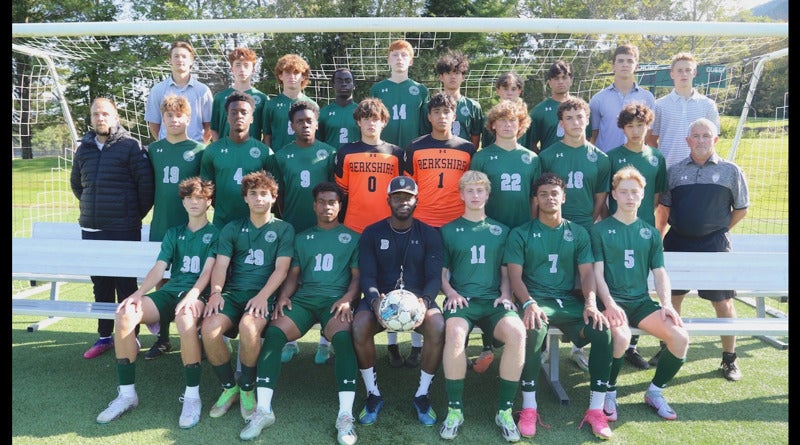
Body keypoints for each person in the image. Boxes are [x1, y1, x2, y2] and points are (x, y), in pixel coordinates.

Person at [240, 182, 361, 444]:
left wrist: (347, 299)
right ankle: (263, 411)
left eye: (332, 202)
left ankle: (345, 415)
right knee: (274, 334)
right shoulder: (302, 237)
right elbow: (293, 275)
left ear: (340, 206)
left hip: (335, 302)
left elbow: (357, 278)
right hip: (304, 301)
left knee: (343, 339)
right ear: (314, 205)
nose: (327, 206)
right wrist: (284, 296)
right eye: (322, 202)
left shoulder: (353, 237)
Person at [95, 177, 218, 429]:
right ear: (183, 202)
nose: (194, 202)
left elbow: (208, 272)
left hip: (198, 294)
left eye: (199, 198)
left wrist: (193, 295)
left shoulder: (216, 234)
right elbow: (160, 268)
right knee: (126, 313)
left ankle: (192, 397)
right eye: (189, 198)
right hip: (171, 292)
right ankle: (127, 395)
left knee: (185, 319)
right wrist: (139, 293)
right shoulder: (174, 233)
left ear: (209, 202)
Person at [504, 172, 615, 440]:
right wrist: (528, 302)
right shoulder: (521, 233)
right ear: (536, 199)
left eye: (554, 193)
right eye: (543, 194)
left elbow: (587, 274)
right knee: (533, 329)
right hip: (537, 301)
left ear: (564, 197)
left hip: (567, 301)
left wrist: (591, 303)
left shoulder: (577, 232)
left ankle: (596, 410)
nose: (549, 198)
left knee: (602, 331)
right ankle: (529, 407)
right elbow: (515, 277)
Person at [591, 166, 689, 423]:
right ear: (614, 195)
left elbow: (660, 273)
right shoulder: (599, 230)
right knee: (621, 338)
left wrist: (666, 304)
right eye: (623, 192)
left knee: (680, 338)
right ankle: (610, 391)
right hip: (610, 302)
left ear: (643, 195)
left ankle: (654, 392)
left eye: (634, 192)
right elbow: (596, 274)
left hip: (641, 303)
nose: (629, 197)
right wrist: (609, 303)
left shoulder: (650, 233)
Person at [656, 117, 749, 381]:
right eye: (695, 136)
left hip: (714, 245)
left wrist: (718, 230)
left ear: (715, 139)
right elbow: (664, 209)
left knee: (723, 302)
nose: (700, 140)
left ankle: (729, 359)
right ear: (688, 141)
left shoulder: (731, 171)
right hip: (678, 241)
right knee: (672, 299)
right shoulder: (674, 172)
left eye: (706, 135)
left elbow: (741, 209)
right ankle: (668, 348)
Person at [438, 170, 526, 442]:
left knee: (517, 332)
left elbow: (505, 271)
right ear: (461, 195)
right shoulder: (448, 230)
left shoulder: (502, 230)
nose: (475, 195)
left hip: (494, 301)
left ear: (488, 194)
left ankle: (504, 411)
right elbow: (441, 273)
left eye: (480, 190)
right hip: (463, 300)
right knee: (454, 332)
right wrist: (451, 292)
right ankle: (455, 411)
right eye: (470, 190)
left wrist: (506, 293)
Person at [201, 170, 294, 423]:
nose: (259, 198)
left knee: (249, 327)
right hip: (233, 293)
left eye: (264, 194)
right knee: (209, 329)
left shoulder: (284, 229)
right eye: (253, 194)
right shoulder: (232, 228)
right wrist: (216, 292)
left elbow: (281, 269)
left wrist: (263, 296)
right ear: (245, 198)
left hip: (264, 294)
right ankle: (229, 387)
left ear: (273, 197)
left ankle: (247, 387)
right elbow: (221, 265)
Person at [352, 176, 445, 427]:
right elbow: (367, 276)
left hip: (418, 300)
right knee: (359, 326)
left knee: (437, 327)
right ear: (388, 200)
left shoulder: (430, 234)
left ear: (416, 201)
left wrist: (425, 302)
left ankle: (422, 395)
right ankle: (373, 393)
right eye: (397, 197)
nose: (403, 201)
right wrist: (374, 301)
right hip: (381, 299)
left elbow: (434, 277)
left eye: (408, 197)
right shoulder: (372, 232)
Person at [70, 97, 154, 359]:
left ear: (115, 116)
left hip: (123, 228)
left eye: (105, 114)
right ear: (91, 118)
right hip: (92, 229)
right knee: (101, 284)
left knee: (125, 284)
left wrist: (129, 215)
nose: (100, 118)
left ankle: (130, 336)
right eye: (96, 114)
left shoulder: (131, 146)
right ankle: (104, 336)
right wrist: (93, 210)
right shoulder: (84, 148)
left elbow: (146, 188)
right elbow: (77, 185)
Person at [538, 97, 611, 372]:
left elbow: (600, 197)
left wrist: (586, 222)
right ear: (561, 123)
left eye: (580, 117)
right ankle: (543, 345)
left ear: (587, 120)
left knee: (583, 284)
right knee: (550, 280)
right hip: (552, 227)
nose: (575, 122)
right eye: (569, 118)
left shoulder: (600, 158)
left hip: (584, 229)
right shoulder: (548, 155)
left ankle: (578, 346)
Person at [468, 98, 539, 373]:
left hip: (520, 229)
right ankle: (488, 344)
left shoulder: (531, 158)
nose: (508, 125)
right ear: (493, 125)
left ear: (521, 125)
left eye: (513, 121)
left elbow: (534, 197)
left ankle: (525, 343)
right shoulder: (482, 157)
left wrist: (532, 227)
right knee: (490, 285)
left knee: (521, 283)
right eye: (502, 120)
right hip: (490, 230)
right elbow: (474, 194)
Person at [269, 100, 336, 364]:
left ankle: (325, 341)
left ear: (317, 124)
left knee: (325, 281)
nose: (305, 125)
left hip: (324, 229)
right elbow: (278, 194)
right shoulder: (281, 156)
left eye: (309, 121)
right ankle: (291, 341)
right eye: (300, 121)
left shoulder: (329, 153)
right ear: (292, 125)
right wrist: (286, 218)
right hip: (293, 227)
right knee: (290, 281)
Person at [607, 102, 669, 369]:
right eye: (630, 126)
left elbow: (656, 196)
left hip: (642, 230)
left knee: (639, 284)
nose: (635, 131)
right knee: (614, 281)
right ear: (623, 128)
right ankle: (612, 337)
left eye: (640, 125)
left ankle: (631, 346)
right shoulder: (612, 157)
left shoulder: (656, 157)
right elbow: (606, 194)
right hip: (616, 228)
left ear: (648, 127)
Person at [145, 94, 207, 359]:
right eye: (169, 115)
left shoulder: (199, 150)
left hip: (190, 225)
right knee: (162, 282)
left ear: (188, 118)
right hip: (161, 224)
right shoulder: (154, 150)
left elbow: (205, 191)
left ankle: (196, 333)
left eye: (179, 115)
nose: (174, 120)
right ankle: (163, 338)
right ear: (162, 119)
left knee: (193, 277)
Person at [200, 91, 273, 229]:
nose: (239, 116)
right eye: (233, 112)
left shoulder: (265, 152)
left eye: (244, 112)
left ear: (252, 118)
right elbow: (207, 190)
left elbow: (273, 192)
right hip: (222, 224)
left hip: (256, 226)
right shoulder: (212, 151)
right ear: (227, 117)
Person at [403, 91, 477, 228]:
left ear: (454, 116)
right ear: (429, 117)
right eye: (436, 112)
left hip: (458, 219)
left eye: (446, 112)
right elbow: (409, 187)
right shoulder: (414, 147)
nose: (442, 116)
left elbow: (471, 187)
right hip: (422, 219)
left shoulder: (467, 148)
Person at [334, 97, 404, 234]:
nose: (371, 123)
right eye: (366, 119)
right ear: (358, 122)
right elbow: (341, 193)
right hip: (353, 224)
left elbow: (400, 193)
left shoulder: (396, 154)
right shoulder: (346, 152)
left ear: (383, 122)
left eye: (375, 119)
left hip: (387, 223)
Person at [646, 52, 720, 168]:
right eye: (679, 70)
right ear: (672, 74)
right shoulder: (659, 105)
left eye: (688, 70)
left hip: (698, 169)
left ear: (694, 73)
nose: (684, 74)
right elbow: (651, 140)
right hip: (668, 168)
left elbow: (712, 140)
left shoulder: (708, 105)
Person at [589, 43, 655, 153]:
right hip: (607, 159)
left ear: (636, 66)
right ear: (613, 66)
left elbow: (649, 133)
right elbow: (593, 135)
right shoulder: (598, 99)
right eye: (620, 61)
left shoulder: (647, 97)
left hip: (636, 158)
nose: (625, 64)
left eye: (630, 61)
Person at [145, 40, 213, 144]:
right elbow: (154, 124)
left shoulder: (203, 90)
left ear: (191, 61)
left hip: (195, 149)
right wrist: (167, 144)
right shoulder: (157, 90)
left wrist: (199, 146)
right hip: (168, 149)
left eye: (184, 56)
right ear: (170, 60)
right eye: (176, 56)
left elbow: (209, 125)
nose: (180, 59)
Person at [369, 39, 429, 151]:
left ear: (411, 61)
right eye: (395, 55)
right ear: (388, 60)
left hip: (413, 149)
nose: (399, 58)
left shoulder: (421, 90)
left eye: (404, 55)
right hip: (383, 150)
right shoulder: (377, 89)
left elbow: (425, 125)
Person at [526, 60, 591, 154]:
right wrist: (544, 159)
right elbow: (531, 144)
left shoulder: (582, 109)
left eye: (564, 77)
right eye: (556, 78)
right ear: (549, 83)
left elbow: (589, 138)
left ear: (571, 80)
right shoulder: (539, 111)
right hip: (550, 162)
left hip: (578, 160)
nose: (560, 82)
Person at [210, 47, 269, 142]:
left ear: (253, 69)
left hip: (252, 150)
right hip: (225, 149)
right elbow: (213, 128)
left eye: (246, 65)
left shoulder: (263, 98)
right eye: (238, 65)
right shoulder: (219, 97)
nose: (242, 69)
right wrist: (219, 147)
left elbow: (267, 132)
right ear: (232, 69)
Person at [261, 53, 317, 152]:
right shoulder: (270, 105)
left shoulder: (312, 105)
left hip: (304, 156)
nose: (292, 76)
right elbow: (267, 136)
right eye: (287, 72)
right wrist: (270, 157)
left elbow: (316, 136)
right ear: (280, 76)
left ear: (303, 76)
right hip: (278, 157)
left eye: (296, 72)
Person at [431, 50, 483, 147]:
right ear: (441, 77)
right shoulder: (431, 105)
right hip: (436, 153)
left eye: (457, 73)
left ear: (463, 77)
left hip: (463, 154)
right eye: (448, 73)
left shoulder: (473, 106)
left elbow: (475, 137)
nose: (453, 77)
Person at [481, 72, 527, 148]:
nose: (509, 93)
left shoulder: (525, 118)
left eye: (513, 89)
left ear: (519, 91)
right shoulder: (490, 117)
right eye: (505, 89)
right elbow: (485, 146)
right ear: (498, 91)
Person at [318, 68, 360, 149]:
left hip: (356, 156)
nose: (344, 84)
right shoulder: (323, 113)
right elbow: (318, 142)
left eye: (348, 81)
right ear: (333, 85)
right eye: (339, 81)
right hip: (331, 156)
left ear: (354, 85)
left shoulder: (362, 112)